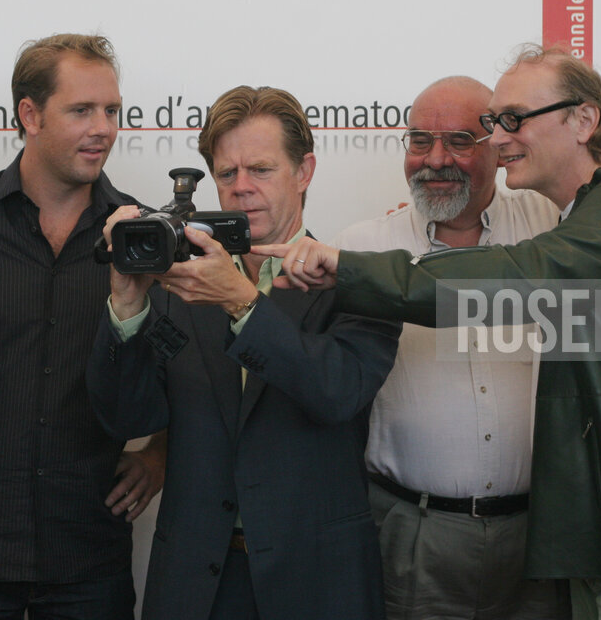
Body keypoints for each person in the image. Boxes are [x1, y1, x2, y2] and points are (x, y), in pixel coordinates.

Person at [262, 46, 601, 620]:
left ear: (584, 119)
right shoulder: (586, 214)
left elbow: (522, 275)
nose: (497, 138)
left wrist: (349, 269)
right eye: (494, 123)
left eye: (511, 120)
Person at [87, 85, 398, 620]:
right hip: (196, 583)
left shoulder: (357, 282)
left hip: (318, 580)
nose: (241, 188)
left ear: (304, 171)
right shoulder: (178, 286)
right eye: (227, 173)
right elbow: (125, 417)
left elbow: (337, 393)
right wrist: (127, 303)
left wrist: (240, 301)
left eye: (261, 169)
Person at [0, 34, 164, 620]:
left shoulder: (143, 238)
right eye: (81, 110)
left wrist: (160, 455)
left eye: (112, 111)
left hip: (90, 555)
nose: (103, 129)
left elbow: (188, 373)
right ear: (30, 114)